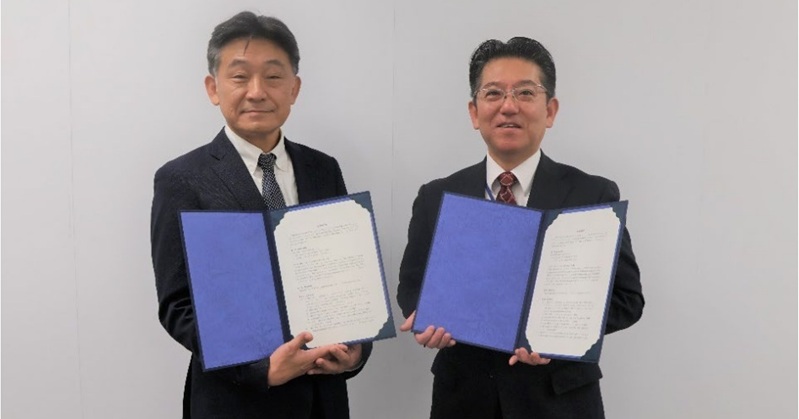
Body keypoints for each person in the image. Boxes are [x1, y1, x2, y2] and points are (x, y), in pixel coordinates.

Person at [397, 37, 644, 419]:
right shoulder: (438, 196)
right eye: (493, 93)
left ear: (550, 110)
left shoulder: (592, 194)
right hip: (464, 400)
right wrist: (425, 320)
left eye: (525, 93)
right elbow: (412, 287)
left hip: (559, 400)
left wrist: (558, 334)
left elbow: (627, 300)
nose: (508, 106)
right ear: (474, 112)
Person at [151, 11, 370, 419]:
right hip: (233, 401)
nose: (257, 92)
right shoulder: (182, 179)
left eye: (272, 76)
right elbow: (177, 305)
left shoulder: (324, 169)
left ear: (294, 88)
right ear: (213, 88)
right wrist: (258, 369)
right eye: (239, 77)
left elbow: (348, 281)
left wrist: (355, 351)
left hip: (322, 399)